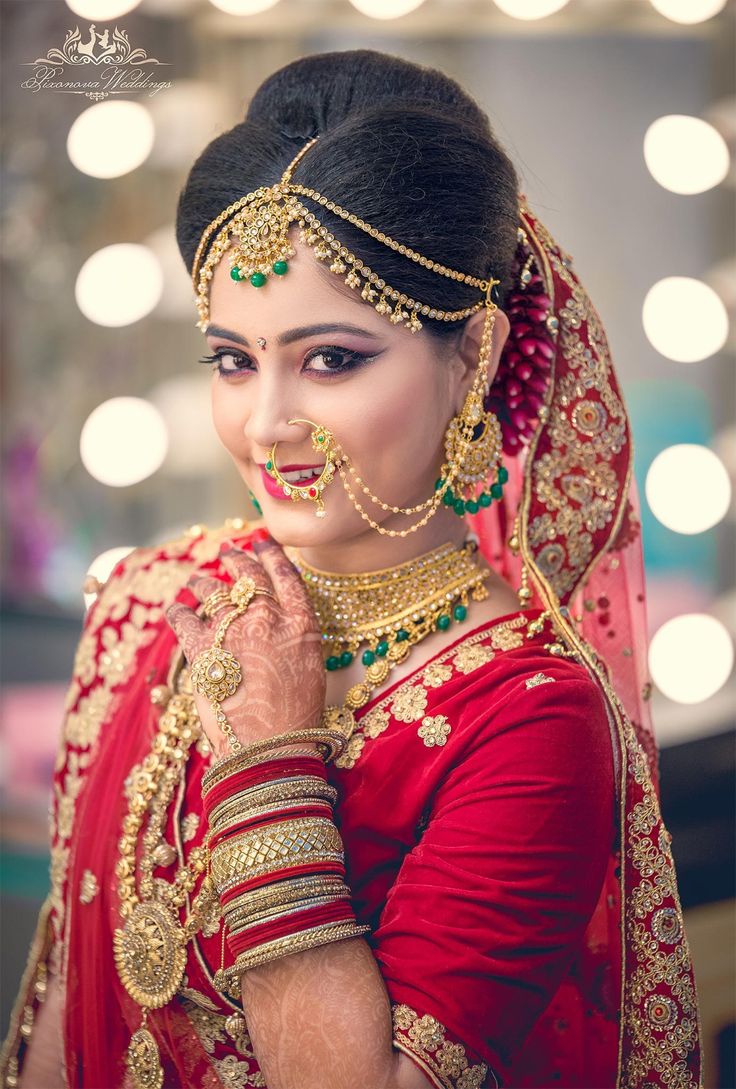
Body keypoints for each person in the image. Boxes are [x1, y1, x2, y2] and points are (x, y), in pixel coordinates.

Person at [1, 50, 701, 1089]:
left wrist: (270, 768)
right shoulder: (155, 602)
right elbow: (65, 1015)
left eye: (330, 359)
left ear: (472, 354)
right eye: (233, 360)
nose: (267, 423)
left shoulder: (529, 714)